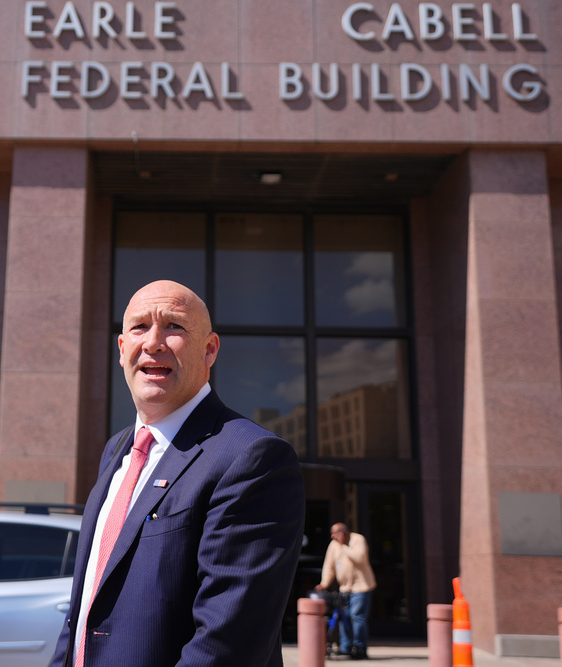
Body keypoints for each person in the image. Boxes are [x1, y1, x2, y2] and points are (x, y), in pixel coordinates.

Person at [50, 280, 305, 667]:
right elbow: (83, 609)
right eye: (139, 327)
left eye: (174, 327)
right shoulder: (116, 450)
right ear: (122, 350)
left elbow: (227, 645)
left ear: (210, 349)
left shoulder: (252, 457)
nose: (153, 342)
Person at [315, 522, 377, 660]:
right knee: (344, 617)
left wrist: (344, 546)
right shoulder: (333, 545)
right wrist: (324, 583)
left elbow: (360, 558)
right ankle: (345, 648)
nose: (332, 536)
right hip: (345, 588)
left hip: (361, 587)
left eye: (335, 533)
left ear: (343, 532)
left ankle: (360, 648)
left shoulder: (357, 539)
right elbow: (328, 566)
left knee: (357, 616)